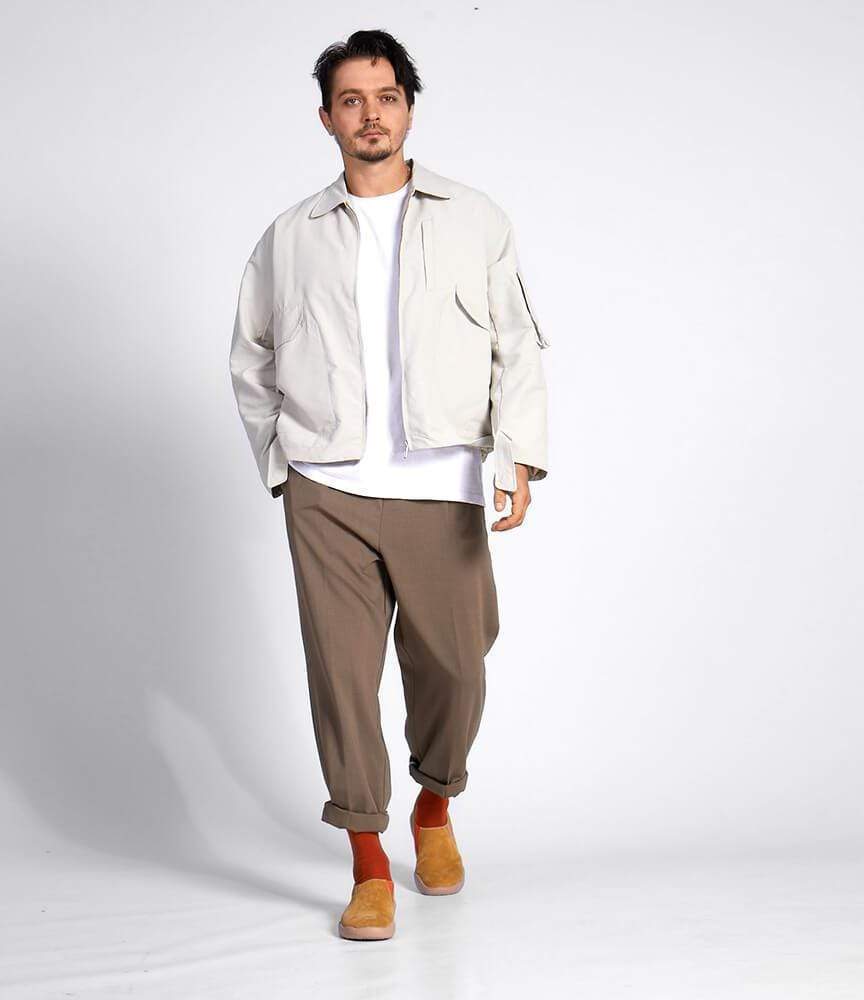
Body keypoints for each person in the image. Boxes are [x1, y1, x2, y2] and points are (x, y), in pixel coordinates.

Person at [228, 28, 550, 941]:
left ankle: (434, 803)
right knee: (341, 677)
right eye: (352, 100)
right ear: (327, 118)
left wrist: (518, 455)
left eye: (386, 97)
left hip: (440, 481)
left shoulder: (475, 217)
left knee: (456, 664)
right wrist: (281, 460)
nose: (370, 114)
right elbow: (250, 355)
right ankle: (368, 860)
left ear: (408, 108)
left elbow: (518, 343)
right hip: (326, 487)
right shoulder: (290, 236)